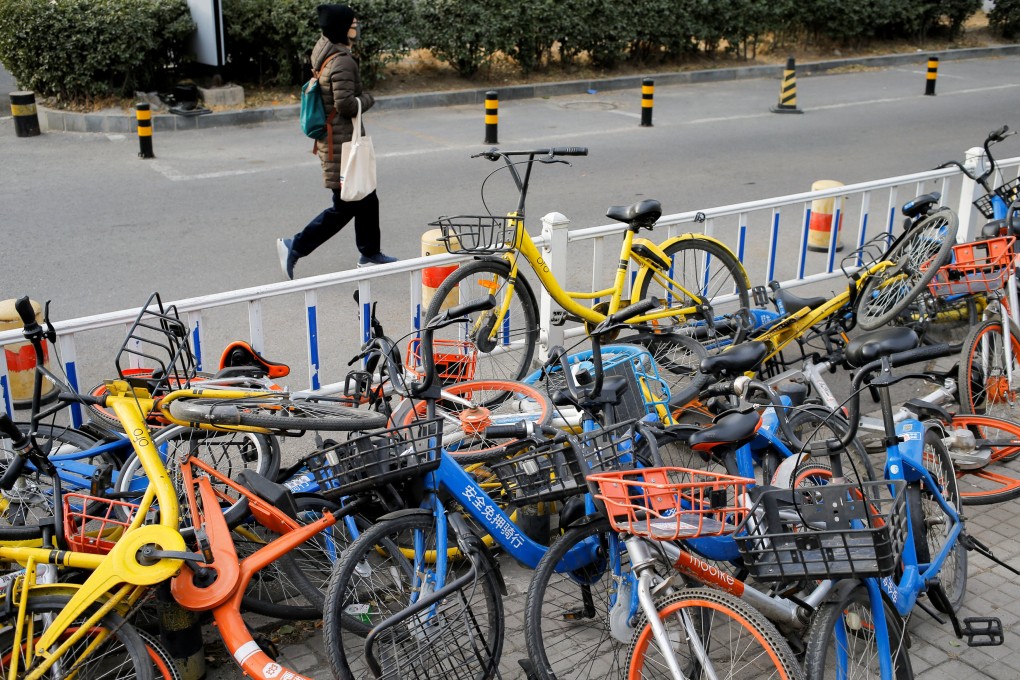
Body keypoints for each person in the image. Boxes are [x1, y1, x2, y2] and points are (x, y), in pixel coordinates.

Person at [277, 4, 397, 279]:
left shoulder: (325, 49)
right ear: (341, 28)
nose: (356, 27)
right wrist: (368, 99)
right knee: (344, 207)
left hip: (337, 141)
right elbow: (345, 104)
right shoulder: (342, 60)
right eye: (352, 23)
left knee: (367, 197)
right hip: (342, 145)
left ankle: (369, 253)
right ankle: (294, 245)